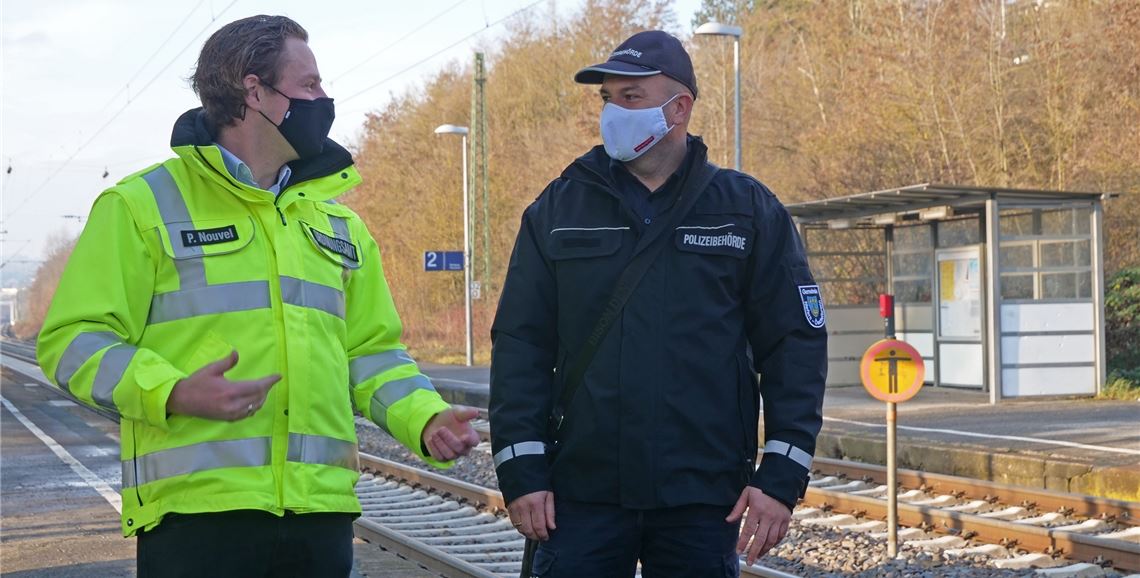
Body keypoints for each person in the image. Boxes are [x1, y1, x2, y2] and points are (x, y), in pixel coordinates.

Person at [36, 15, 479, 577]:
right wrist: (171, 392)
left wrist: (425, 417)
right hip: (196, 516)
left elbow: (372, 354)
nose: (324, 99)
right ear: (254, 91)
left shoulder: (340, 226)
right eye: (310, 84)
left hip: (320, 514)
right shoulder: (140, 207)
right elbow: (73, 341)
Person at [489, 30, 827, 577]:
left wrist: (780, 480)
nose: (613, 113)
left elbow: (795, 347)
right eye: (607, 99)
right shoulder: (557, 209)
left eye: (631, 98)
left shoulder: (746, 210)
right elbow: (520, 345)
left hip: (702, 498)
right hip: (580, 496)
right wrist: (522, 472)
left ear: (680, 108)